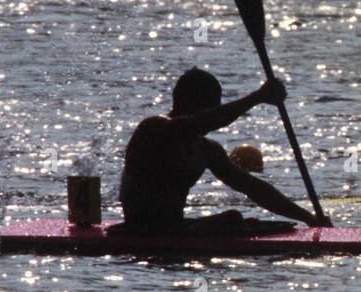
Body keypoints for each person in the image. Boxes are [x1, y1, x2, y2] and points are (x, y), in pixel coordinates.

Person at [117, 68, 328, 232]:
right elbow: (209, 120)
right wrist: (258, 97)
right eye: (212, 107)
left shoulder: (206, 149)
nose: (215, 114)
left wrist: (308, 218)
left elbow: (253, 187)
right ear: (186, 102)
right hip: (140, 229)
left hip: (173, 228)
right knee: (233, 219)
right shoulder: (155, 128)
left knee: (250, 223)